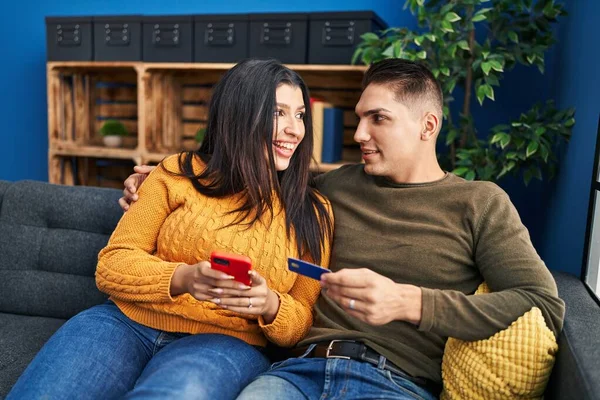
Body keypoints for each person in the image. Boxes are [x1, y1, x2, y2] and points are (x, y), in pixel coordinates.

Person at [119, 59, 565, 400]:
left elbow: (541, 302)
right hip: (296, 374)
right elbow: (241, 178)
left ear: (428, 125)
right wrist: (160, 178)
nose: (359, 134)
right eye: (360, 117)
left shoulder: (480, 202)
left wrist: (410, 303)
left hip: (396, 383)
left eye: (379, 119)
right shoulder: (327, 190)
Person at [7, 58, 334, 400]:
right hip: (124, 323)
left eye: (299, 115)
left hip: (226, 343)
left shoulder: (313, 211)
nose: (295, 129)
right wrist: (184, 279)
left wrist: (269, 304)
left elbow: (301, 318)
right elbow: (112, 263)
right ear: (239, 114)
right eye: (278, 113)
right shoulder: (177, 172)